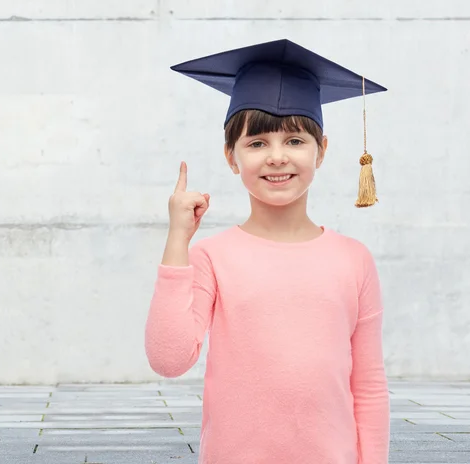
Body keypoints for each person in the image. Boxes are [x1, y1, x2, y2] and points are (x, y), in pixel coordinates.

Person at [144, 39, 390, 464]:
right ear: (231, 157)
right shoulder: (211, 257)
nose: (277, 157)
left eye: (295, 140)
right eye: (256, 143)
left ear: (322, 150)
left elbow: (367, 386)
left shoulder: (354, 260)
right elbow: (169, 360)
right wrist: (177, 241)